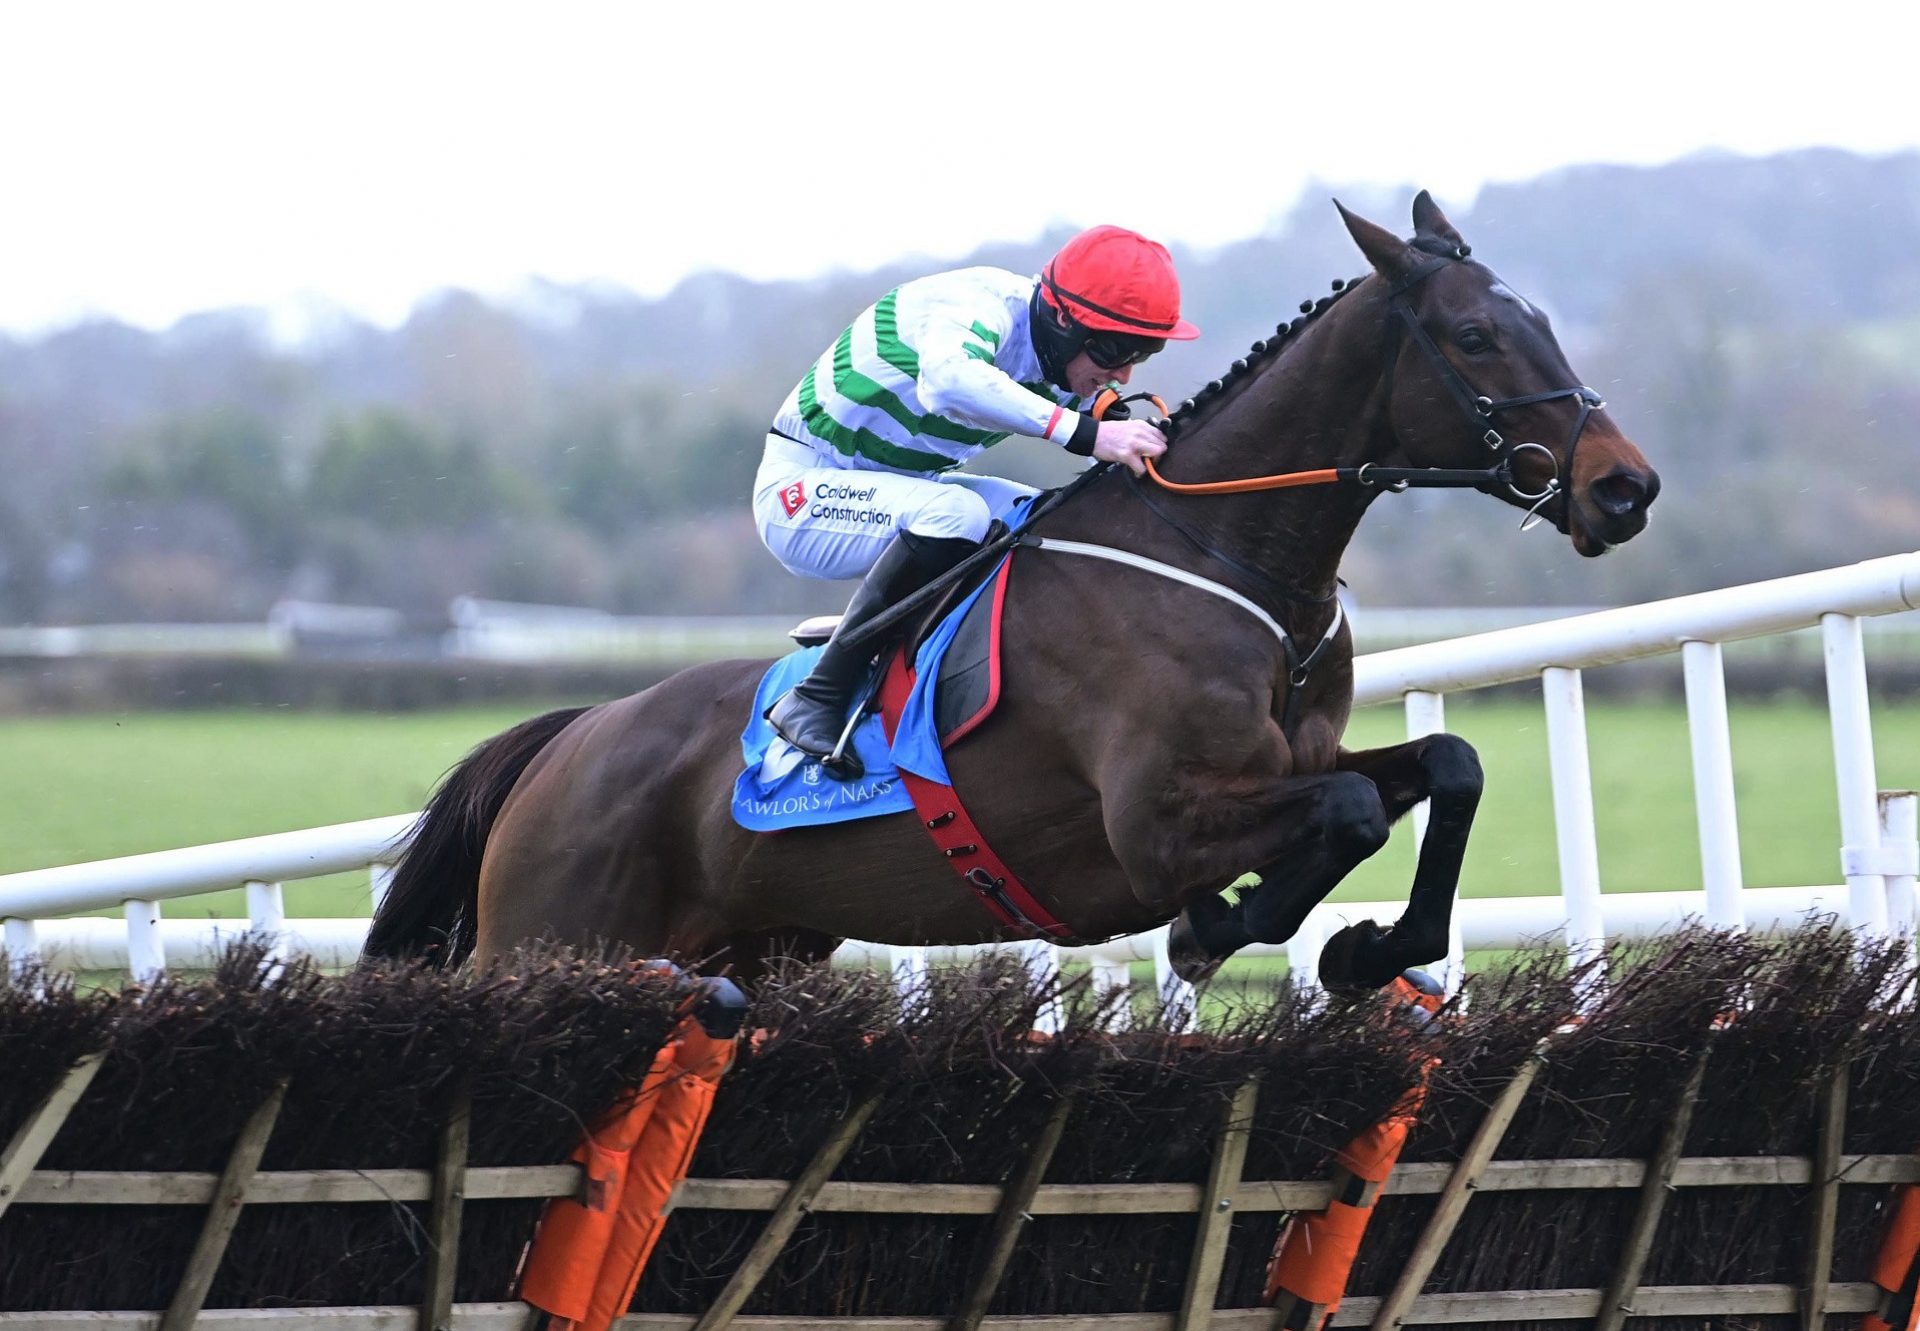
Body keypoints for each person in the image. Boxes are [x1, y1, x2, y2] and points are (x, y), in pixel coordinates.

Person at [754, 224, 1200, 771]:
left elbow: (1105, 430)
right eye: (1113, 348)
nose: (1124, 370)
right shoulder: (976, 302)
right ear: (1062, 319)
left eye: (1143, 352)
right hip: (802, 492)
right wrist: (1086, 435)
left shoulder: (1063, 355)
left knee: (1045, 518)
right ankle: (816, 697)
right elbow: (947, 382)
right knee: (957, 513)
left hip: (909, 491)